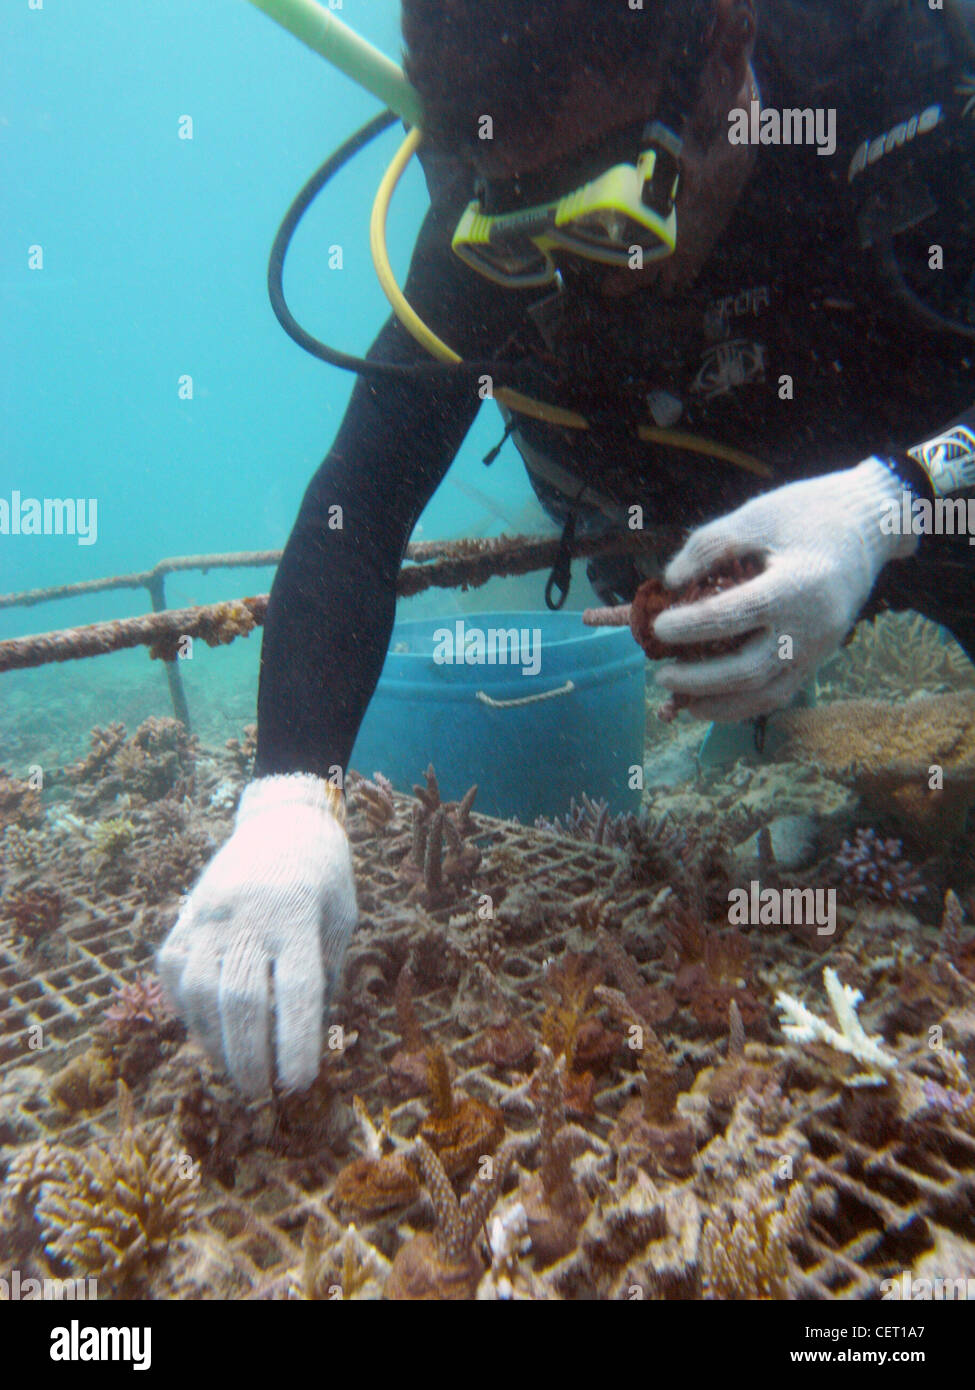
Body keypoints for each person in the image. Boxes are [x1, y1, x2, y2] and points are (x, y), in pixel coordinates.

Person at [158, 0, 975, 1095]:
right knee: (715, 665)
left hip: (921, 498)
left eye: (614, 214)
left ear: (727, 53)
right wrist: (288, 796)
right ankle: (763, 729)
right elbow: (356, 504)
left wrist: (898, 500)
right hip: (676, 548)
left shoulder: (891, 73)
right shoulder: (487, 207)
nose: (600, 276)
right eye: (528, 231)